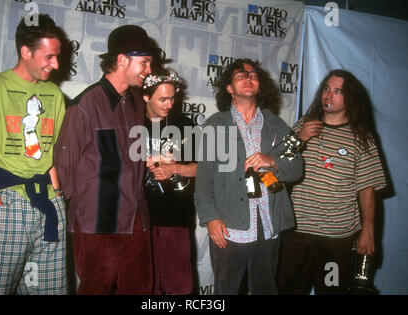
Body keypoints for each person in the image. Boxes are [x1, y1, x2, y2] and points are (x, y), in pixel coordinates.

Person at [54, 25, 163, 294]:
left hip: (137, 218)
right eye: (145, 62)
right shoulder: (84, 106)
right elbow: (64, 171)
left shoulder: (137, 102)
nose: (149, 70)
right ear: (122, 60)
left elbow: (133, 156)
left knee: (140, 290)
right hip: (98, 223)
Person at [0, 14, 67, 294]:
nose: (56, 64)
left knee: (48, 290)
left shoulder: (55, 95)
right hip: (7, 201)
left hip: (49, 203)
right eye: (49, 57)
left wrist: (57, 194)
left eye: (57, 57)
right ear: (26, 51)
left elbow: (52, 155)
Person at [195, 58, 303, 294]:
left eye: (252, 74)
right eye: (241, 75)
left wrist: (272, 161)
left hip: (268, 222)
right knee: (227, 290)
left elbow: (297, 169)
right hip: (230, 227)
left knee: (266, 289)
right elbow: (203, 180)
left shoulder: (277, 125)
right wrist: (210, 218)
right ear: (229, 88)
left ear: (260, 86)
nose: (248, 77)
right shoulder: (215, 125)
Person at [278, 69, 387, 295]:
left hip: (336, 239)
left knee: (331, 290)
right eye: (327, 88)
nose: (329, 95)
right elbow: (279, 166)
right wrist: (300, 138)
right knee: (287, 289)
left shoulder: (361, 137)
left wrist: (368, 230)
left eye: (338, 91)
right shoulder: (302, 126)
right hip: (296, 233)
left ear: (350, 97)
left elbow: (367, 188)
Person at [142, 69, 196, 295]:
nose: (169, 104)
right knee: (144, 288)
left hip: (176, 220)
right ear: (146, 96)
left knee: (179, 289)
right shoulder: (130, 122)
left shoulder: (184, 124)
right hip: (139, 222)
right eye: (163, 99)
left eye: (172, 98)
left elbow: (204, 169)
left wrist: (174, 167)